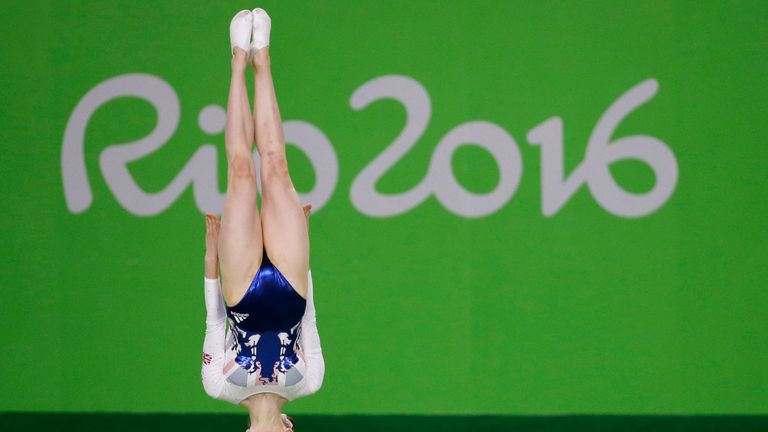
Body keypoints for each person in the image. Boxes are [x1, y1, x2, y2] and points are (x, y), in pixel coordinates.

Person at [199, 8, 324, 432]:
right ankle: (262, 60)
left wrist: (210, 262)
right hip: (291, 288)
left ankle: (237, 62)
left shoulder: (219, 386)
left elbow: (215, 320)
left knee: (239, 174)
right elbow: (310, 319)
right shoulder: (310, 382)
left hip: (241, 294)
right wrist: (304, 248)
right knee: (275, 167)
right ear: (290, 429)